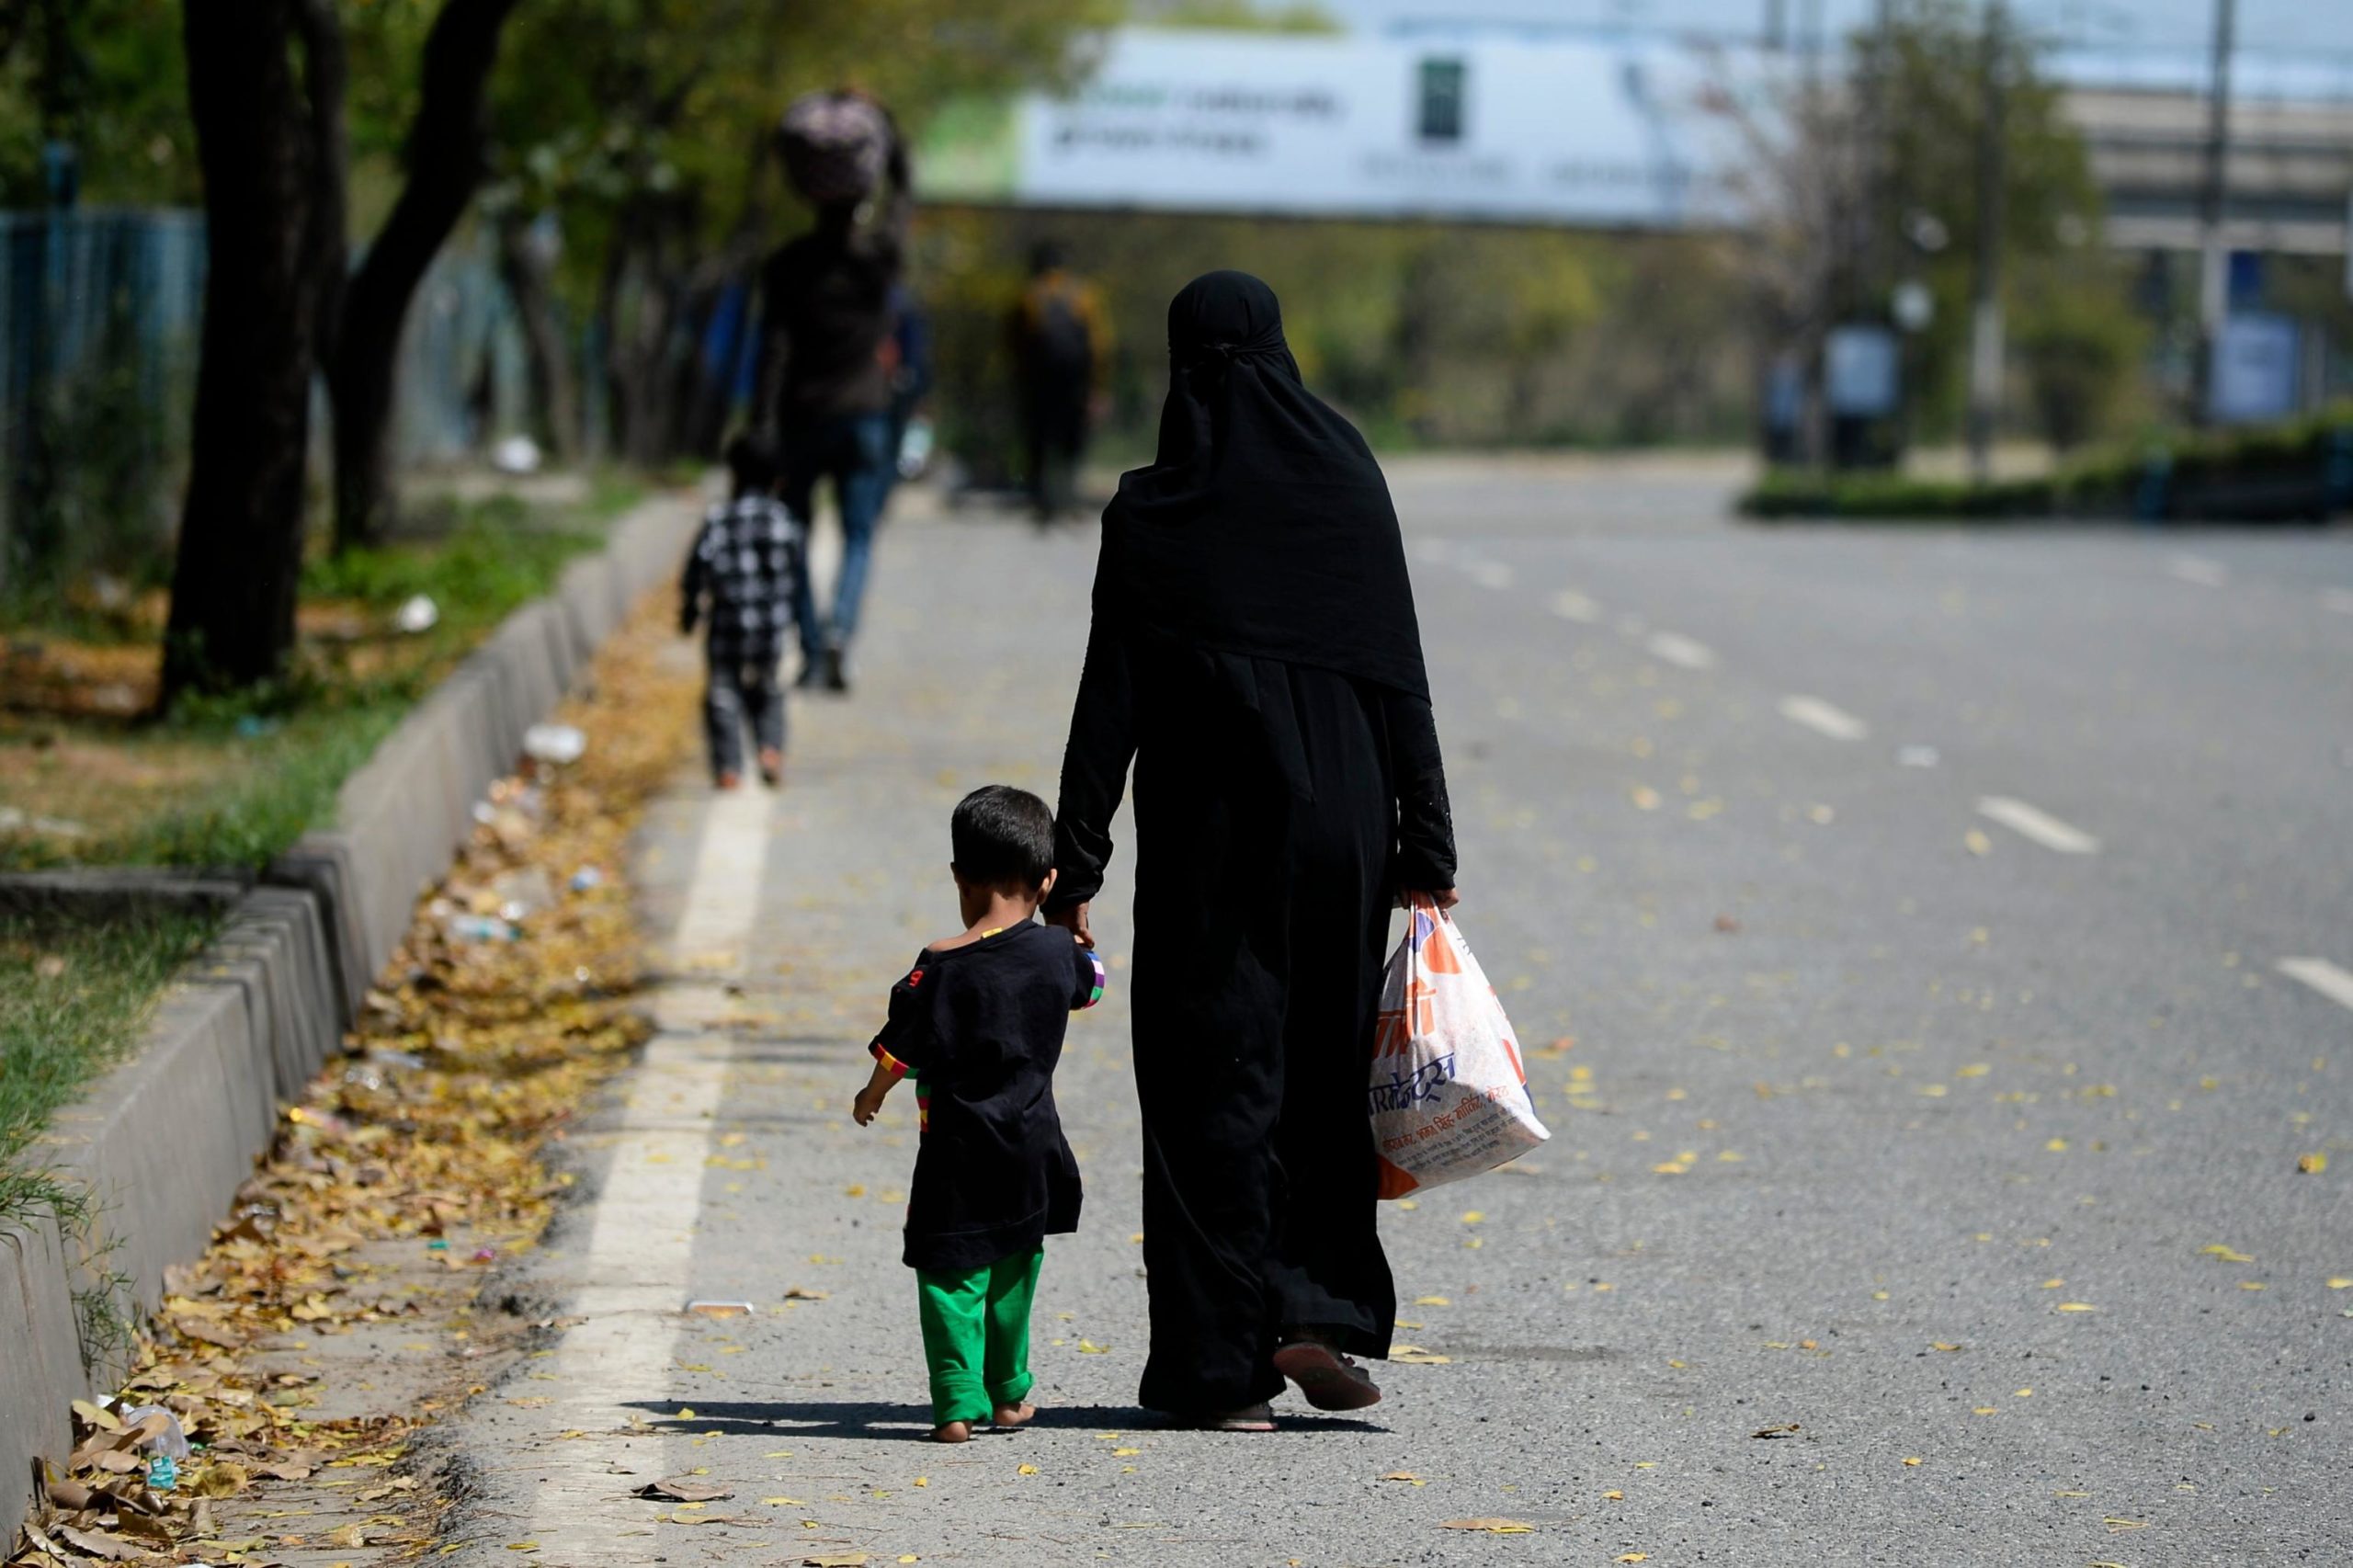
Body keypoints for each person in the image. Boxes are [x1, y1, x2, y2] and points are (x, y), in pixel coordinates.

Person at [1044, 271, 1457, 1430]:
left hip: (1213, 841)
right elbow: (1397, 673)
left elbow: (1106, 704)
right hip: (1345, 838)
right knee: (1322, 1072)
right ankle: (1309, 1308)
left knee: (1209, 1080)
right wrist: (1424, 844)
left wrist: (1074, 871)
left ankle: (1219, 1371)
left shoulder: (1153, 513)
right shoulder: (1345, 477)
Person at [851, 785, 1107, 1444]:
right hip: (1032, 1147)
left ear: (959, 876)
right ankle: (1011, 1395)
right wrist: (1078, 939)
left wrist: (871, 1095)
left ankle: (955, 1403)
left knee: (950, 1273)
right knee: (1015, 1270)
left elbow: (899, 1051)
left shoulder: (937, 966)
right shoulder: (1057, 956)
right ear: (1047, 881)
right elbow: (1092, 987)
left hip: (955, 1152)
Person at [756, 103, 911, 694]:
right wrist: (896, 154)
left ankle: (812, 648)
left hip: (802, 417)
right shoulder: (877, 263)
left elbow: (770, 352)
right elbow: (901, 207)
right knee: (860, 534)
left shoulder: (788, 265)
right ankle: (841, 629)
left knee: (793, 532)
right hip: (866, 417)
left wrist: (762, 424)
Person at [678, 434, 805, 790]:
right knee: (767, 690)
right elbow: (798, 581)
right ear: (778, 480)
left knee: (722, 693)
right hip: (770, 630)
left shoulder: (720, 519)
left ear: (733, 475)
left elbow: (696, 566)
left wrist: (690, 608)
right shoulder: (786, 523)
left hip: (726, 627)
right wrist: (802, 628)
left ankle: (729, 767)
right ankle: (769, 749)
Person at [1007, 242, 1110, 523]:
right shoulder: (1082, 295)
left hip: (1037, 384)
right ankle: (1069, 498)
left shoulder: (1028, 295)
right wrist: (1097, 386)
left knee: (1038, 440)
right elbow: (1098, 344)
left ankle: (1041, 500)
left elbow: (1012, 343)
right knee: (1071, 442)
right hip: (1075, 384)